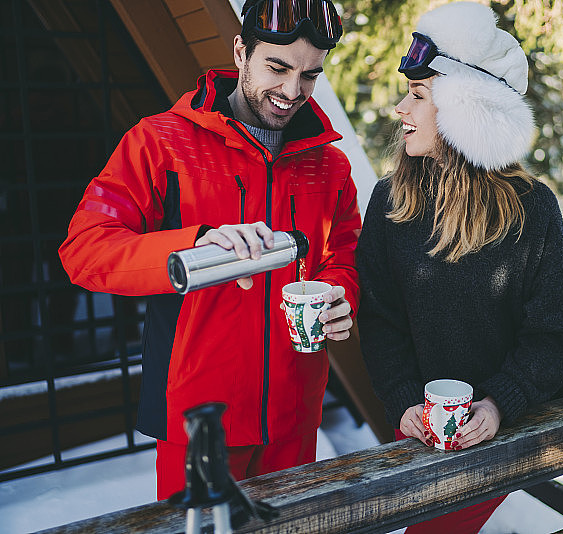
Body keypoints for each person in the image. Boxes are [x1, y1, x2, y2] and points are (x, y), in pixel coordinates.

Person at [59, 0, 360, 500]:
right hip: (199, 420)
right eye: (278, 67)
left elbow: (342, 254)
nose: (292, 92)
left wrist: (338, 295)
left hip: (294, 418)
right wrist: (193, 245)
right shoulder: (159, 143)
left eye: (310, 75)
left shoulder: (329, 165)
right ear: (241, 51)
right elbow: (85, 250)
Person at [356, 2, 563, 532]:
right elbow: (380, 319)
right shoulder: (391, 202)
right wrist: (403, 401)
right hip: (421, 431)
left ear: (466, 111)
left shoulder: (529, 208)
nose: (400, 109)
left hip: (509, 433)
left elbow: (557, 333)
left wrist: (501, 403)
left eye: (417, 95)